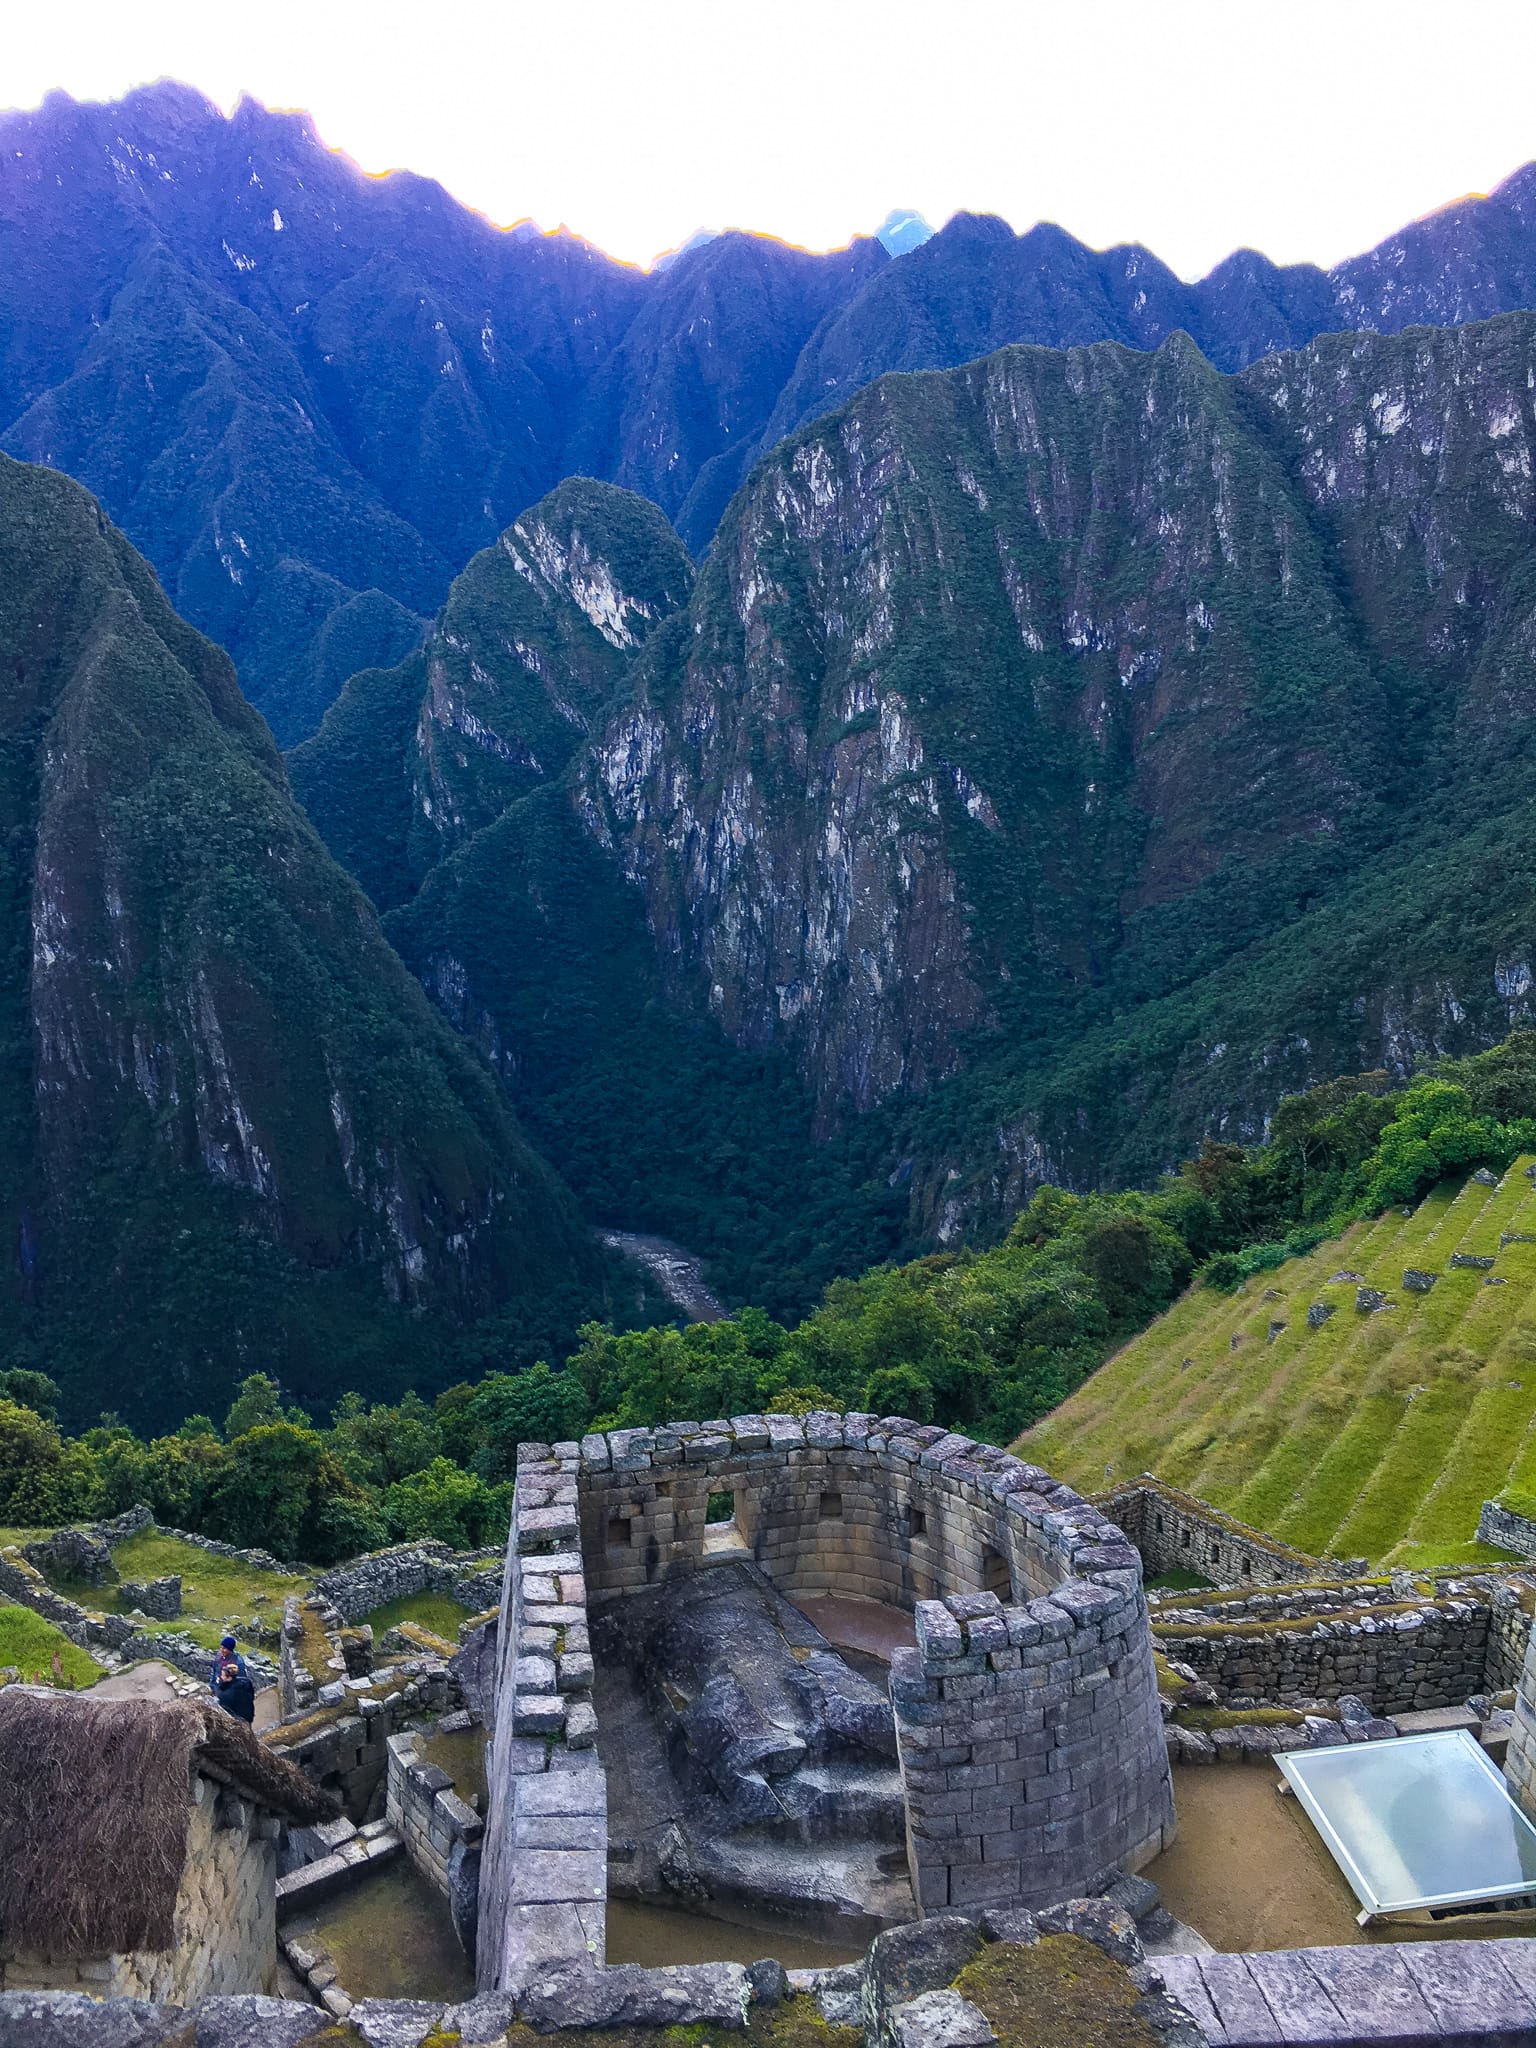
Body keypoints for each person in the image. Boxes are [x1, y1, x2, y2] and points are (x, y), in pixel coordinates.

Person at [210, 1634, 256, 1725]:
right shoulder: (218, 1657)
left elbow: (242, 1682)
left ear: (230, 1649)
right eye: (221, 1648)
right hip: (220, 1689)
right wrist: (212, 1686)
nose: (222, 1650)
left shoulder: (238, 1662)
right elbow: (214, 1672)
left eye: (224, 1648)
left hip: (231, 1695)